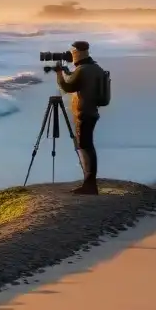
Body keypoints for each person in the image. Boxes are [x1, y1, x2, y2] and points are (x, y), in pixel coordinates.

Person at [53, 40, 105, 195]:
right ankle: (89, 183)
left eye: (73, 51)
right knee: (87, 146)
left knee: (85, 147)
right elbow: (78, 82)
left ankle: (89, 185)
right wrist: (67, 72)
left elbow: (68, 87)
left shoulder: (83, 70)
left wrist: (59, 74)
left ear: (77, 53)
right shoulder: (94, 68)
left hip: (84, 113)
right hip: (91, 112)